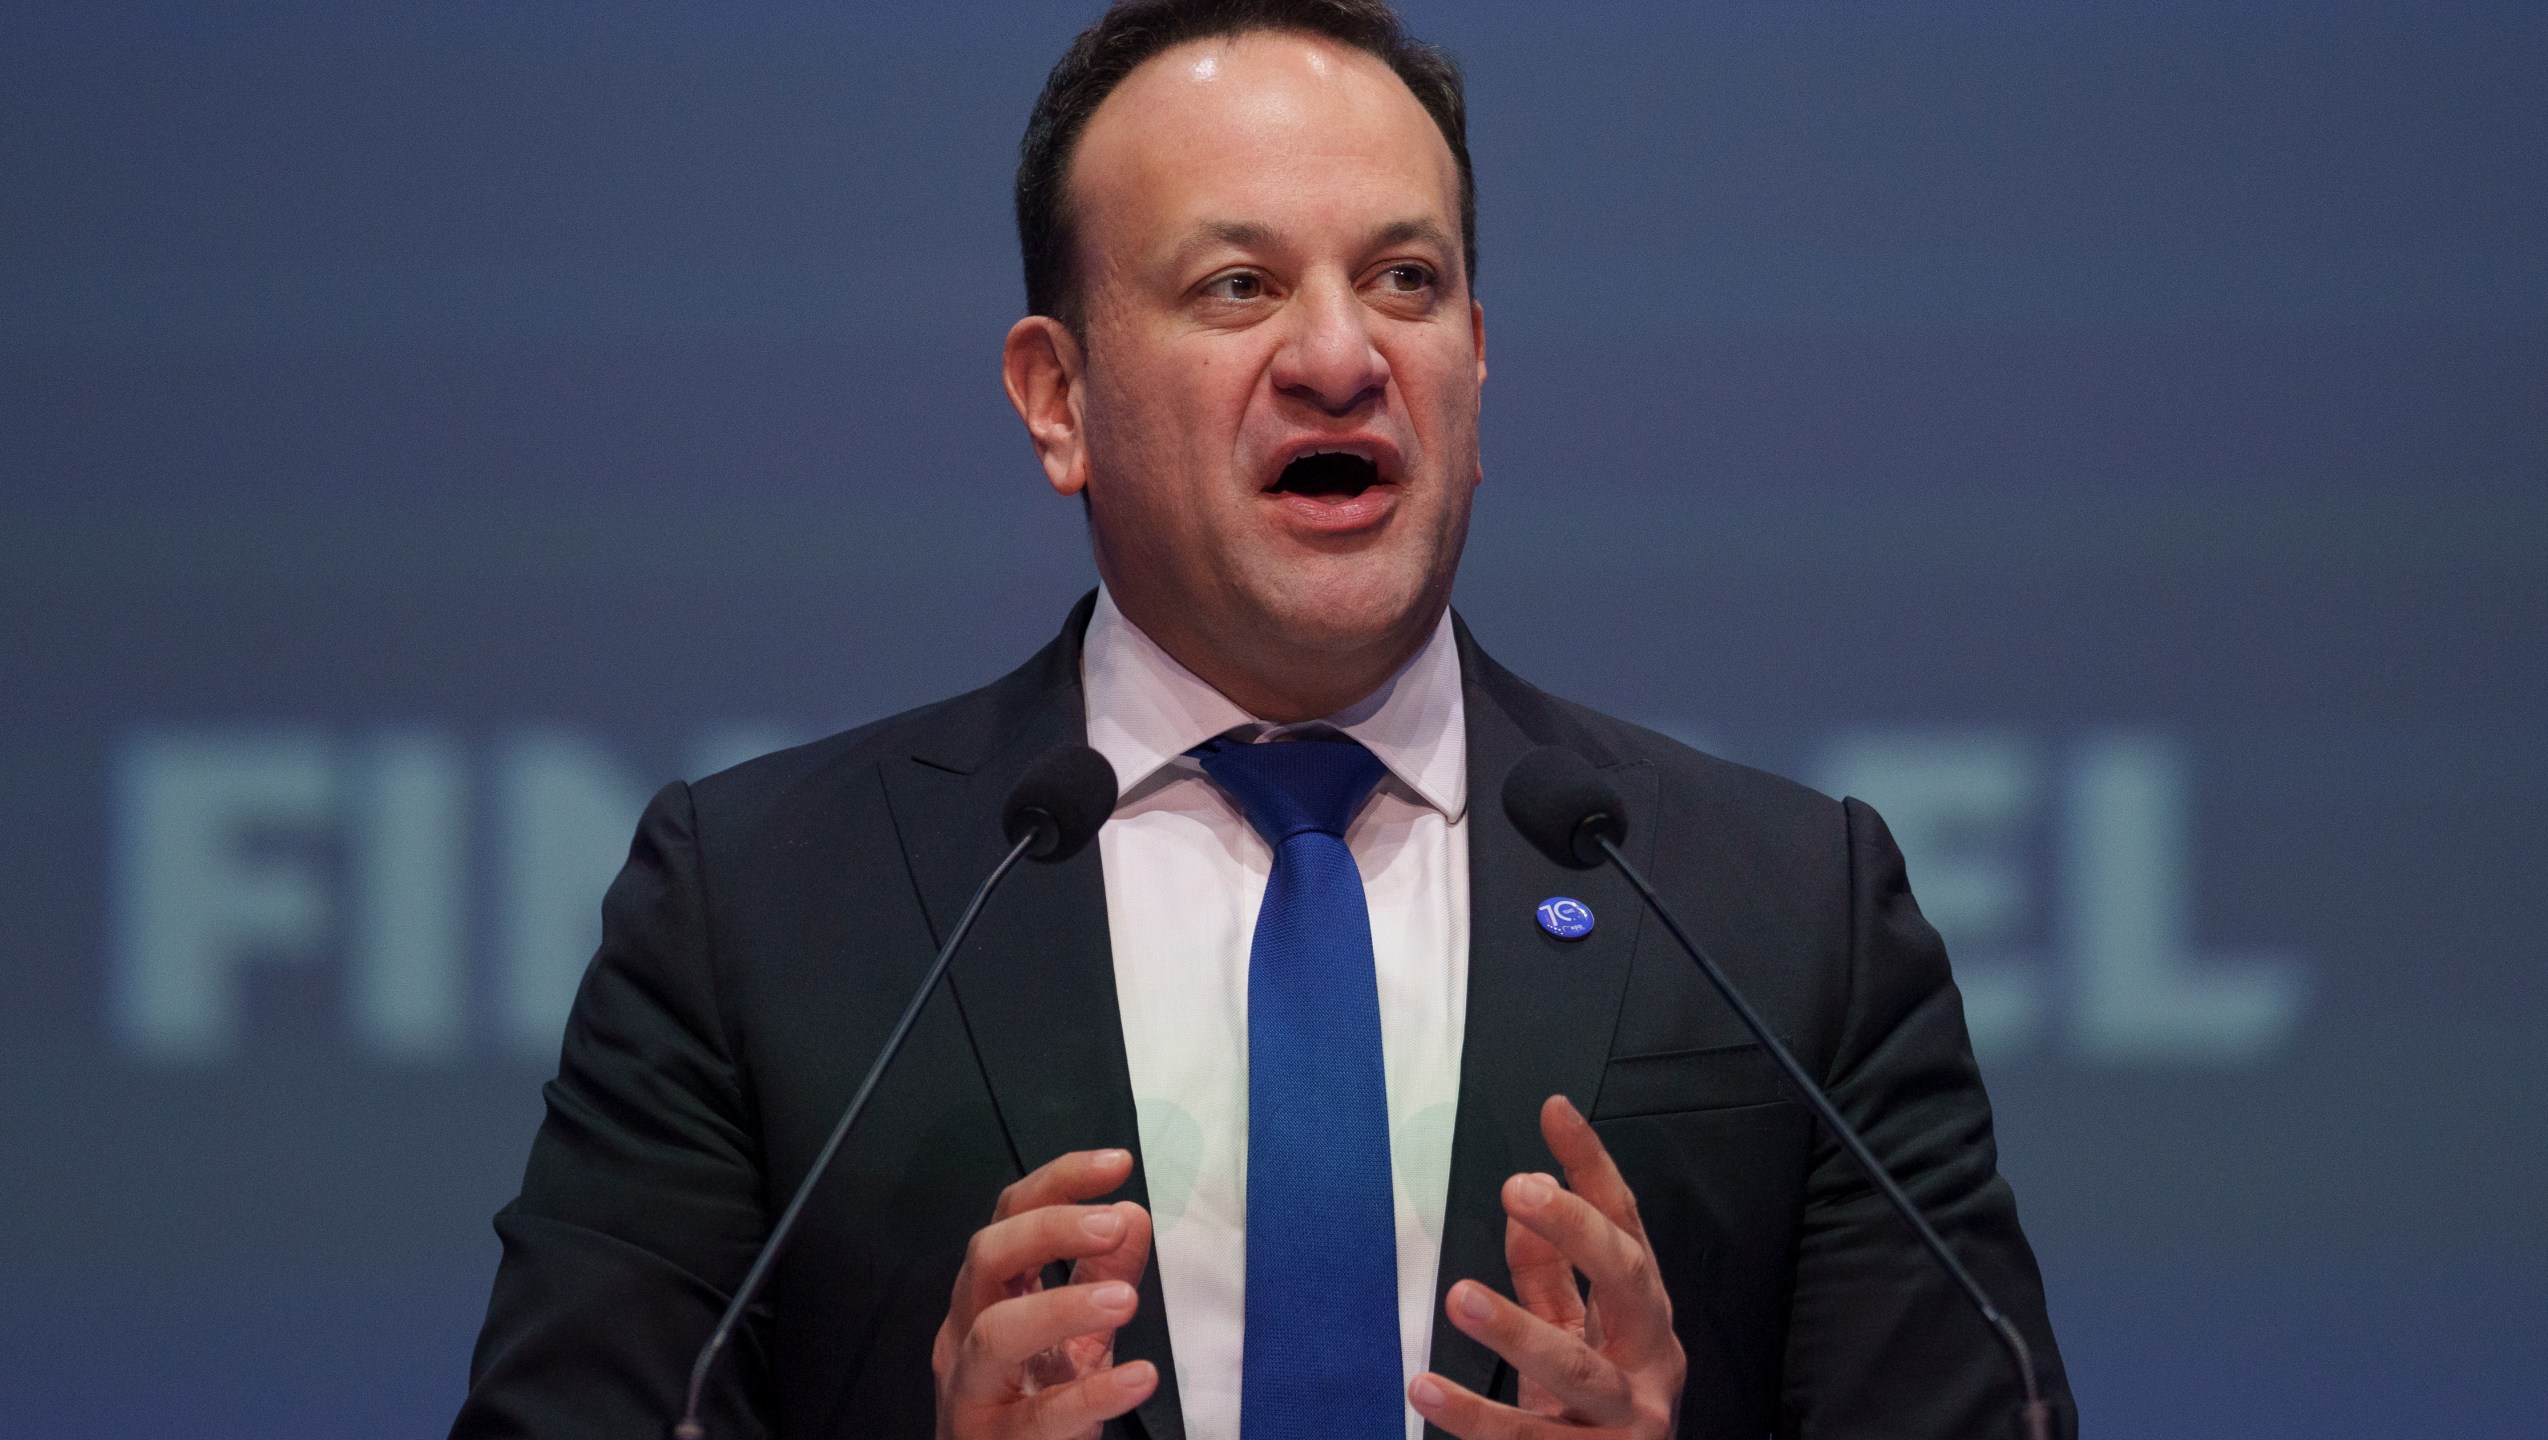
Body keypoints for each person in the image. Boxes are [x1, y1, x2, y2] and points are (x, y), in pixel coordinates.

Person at [451, 2, 2074, 1437]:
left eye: (1407, 280)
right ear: (1057, 398)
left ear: (1479, 365)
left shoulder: (1786, 911)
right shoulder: (760, 908)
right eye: (1239, 285)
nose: (1343, 355)